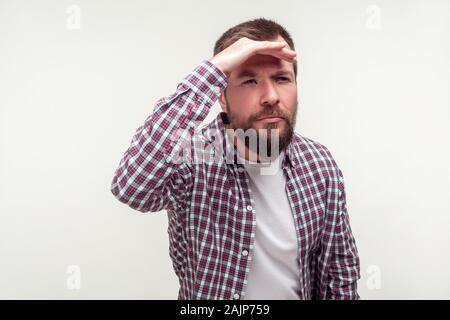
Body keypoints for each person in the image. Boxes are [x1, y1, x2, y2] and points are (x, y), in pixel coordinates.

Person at [111, 18, 360, 300]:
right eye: (249, 80)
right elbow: (131, 188)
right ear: (222, 97)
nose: (270, 96)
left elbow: (339, 273)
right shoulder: (191, 159)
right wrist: (213, 70)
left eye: (281, 79)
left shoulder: (319, 164)